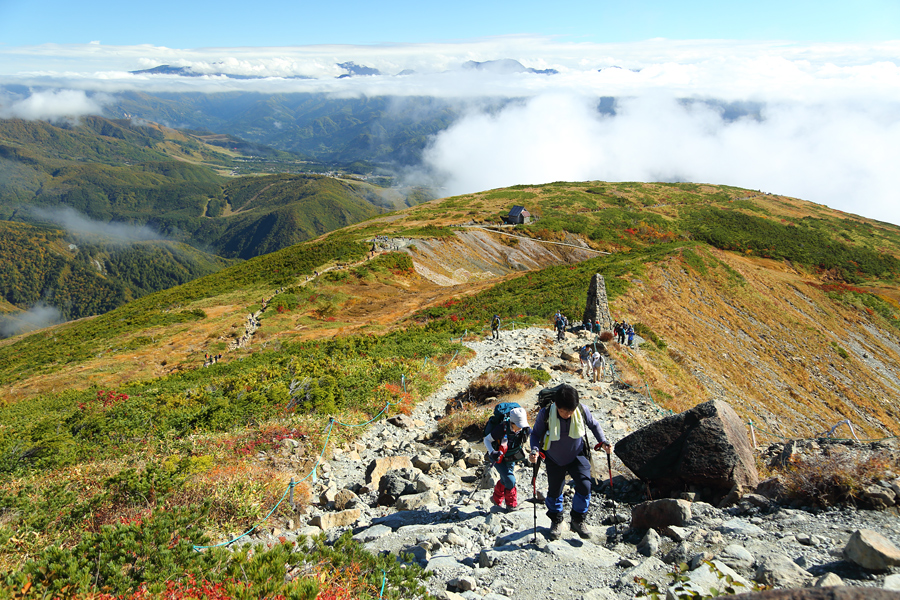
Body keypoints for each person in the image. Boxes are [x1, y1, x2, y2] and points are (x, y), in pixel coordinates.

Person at [529, 384, 611, 540]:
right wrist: (534, 451)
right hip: (553, 457)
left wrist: (603, 441)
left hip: (577, 454)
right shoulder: (545, 413)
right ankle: (556, 520)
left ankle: (578, 519)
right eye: (562, 411)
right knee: (554, 491)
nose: (567, 415)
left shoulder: (581, 410)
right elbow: (535, 434)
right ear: (556, 405)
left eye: (570, 411)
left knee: (585, 485)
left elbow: (594, 425)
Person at [484, 407, 530, 512]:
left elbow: (535, 436)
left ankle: (495, 499)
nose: (520, 428)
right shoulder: (501, 428)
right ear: (512, 422)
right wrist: (492, 452)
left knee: (506, 480)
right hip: (497, 458)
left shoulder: (525, 429)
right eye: (518, 426)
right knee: (510, 480)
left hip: (511, 457)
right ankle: (511, 505)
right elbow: (486, 439)